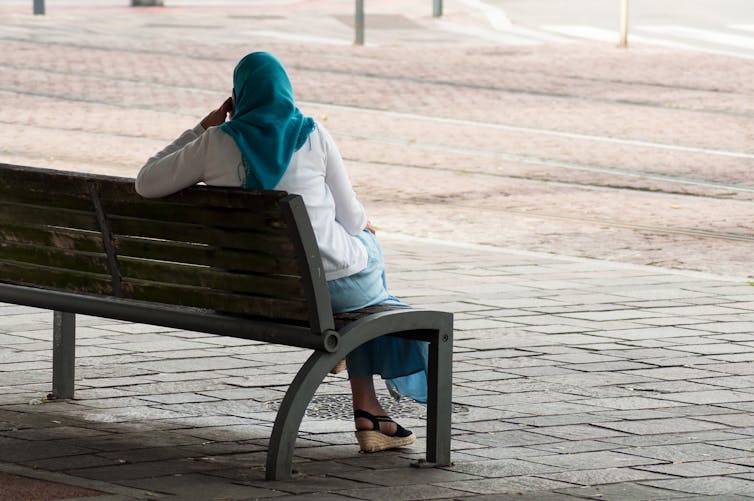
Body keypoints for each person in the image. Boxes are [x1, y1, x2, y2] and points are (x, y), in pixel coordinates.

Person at [136, 52, 428, 453]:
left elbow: (147, 182)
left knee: (358, 285)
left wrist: (203, 126)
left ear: (237, 97)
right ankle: (367, 408)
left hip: (248, 291)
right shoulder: (312, 134)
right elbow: (352, 216)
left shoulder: (215, 142)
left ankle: (369, 407)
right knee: (367, 258)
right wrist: (362, 230)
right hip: (323, 292)